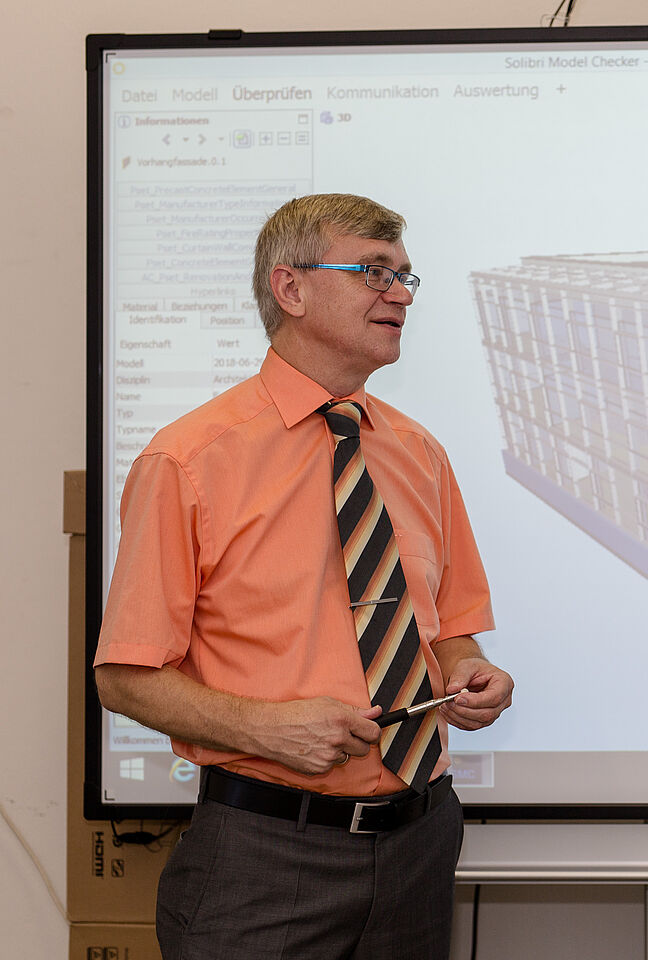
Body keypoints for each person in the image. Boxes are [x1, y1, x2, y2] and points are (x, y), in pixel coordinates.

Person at [94, 193, 513, 959]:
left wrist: (472, 670)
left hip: (421, 841)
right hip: (265, 851)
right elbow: (124, 678)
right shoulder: (188, 461)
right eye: (375, 272)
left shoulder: (419, 453)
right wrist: (266, 727)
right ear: (291, 289)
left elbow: (451, 629)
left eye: (406, 278)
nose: (399, 294)